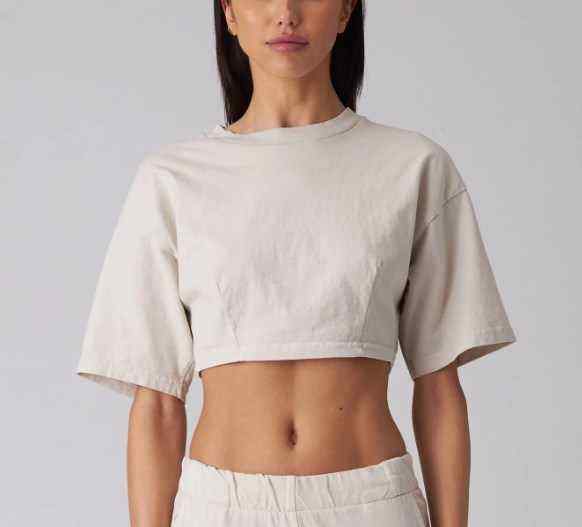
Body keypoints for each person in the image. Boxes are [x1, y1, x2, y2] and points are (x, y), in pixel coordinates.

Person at [76, 1, 518, 526]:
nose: (286, 13)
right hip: (222, 508)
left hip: (372, 505)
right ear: (229, 12)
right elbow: (155, 402)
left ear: (346, 10)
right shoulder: (171, 180)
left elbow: (439, 386)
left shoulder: (413, 167)